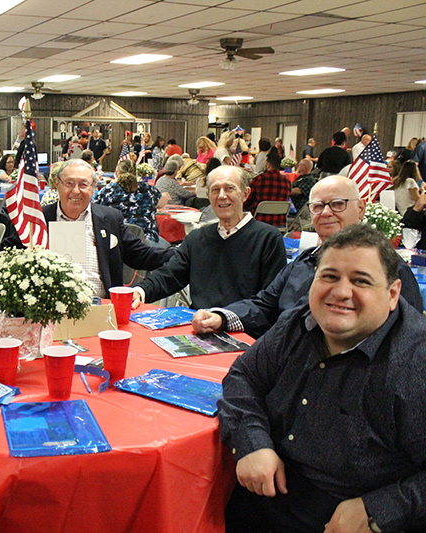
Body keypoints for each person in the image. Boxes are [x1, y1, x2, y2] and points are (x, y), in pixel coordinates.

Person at [218, 223, 426, 533]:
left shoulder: (415, 364)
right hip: (262, 493)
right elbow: (244, 376)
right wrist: (251, 442)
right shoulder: (297, 322)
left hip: (345, 518)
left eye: (360, 281)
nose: (340, 292)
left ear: (393, 293)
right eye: (329, 276)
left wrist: (379, 510)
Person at [192, 175, 423, 339]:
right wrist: (221, 317)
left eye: (338, 204)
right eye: (318, 206)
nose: (326, 213)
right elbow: (264, 305)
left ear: (361, 209)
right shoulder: (302, 262)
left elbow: (408, 340)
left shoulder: (389, 269)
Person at [0, 159, 174, 297]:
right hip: (51, 311)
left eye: (83, 185)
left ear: (94, 189)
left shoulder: (110, 219)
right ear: (57, 185)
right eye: (69, 183)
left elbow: (142, 255)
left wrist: (183, 254)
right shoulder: (40, 219)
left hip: (101, 309)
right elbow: (1, 254)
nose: (76, 191)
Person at [132, 165, 287, 310]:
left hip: (244, 325)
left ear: (245, 194)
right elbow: (170, 275)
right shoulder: (197, 239)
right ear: (208, 196)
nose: (222, 196)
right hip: (197, 324)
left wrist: (223, 318)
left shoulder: (268, 239)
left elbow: (270, 301)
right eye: (215, 190)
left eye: (229, 188)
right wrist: (140, 291)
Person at [94, 158, 169, 243]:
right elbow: (160, 203)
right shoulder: (149, 190)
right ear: (135, 173)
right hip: (146, 241)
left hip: (115, 241)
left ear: (117, 173)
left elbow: (95, 210)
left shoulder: (107, 191)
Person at [243, 151, 291, 227]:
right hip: (279, 222)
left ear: (268, 164)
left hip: (259, 220)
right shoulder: (287, 182)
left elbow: (246, 200)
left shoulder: (259, 179)